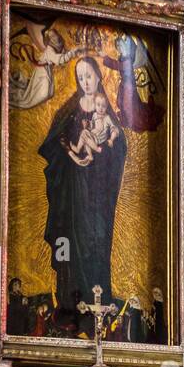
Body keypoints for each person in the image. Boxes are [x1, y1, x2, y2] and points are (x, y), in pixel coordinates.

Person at [38, 58, 127, 333]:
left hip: (99, 194)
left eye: (89, 76)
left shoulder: (106, 114)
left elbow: (118, 146)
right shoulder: (70, 111)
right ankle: (69, 304)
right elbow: (55, 141)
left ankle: (99, 303)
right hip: (74, 193)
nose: (85, 81)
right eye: (80, 77)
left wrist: (104, 150)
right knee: (73, 240)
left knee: (97, 240)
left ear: (99, 77)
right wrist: (72, 157)